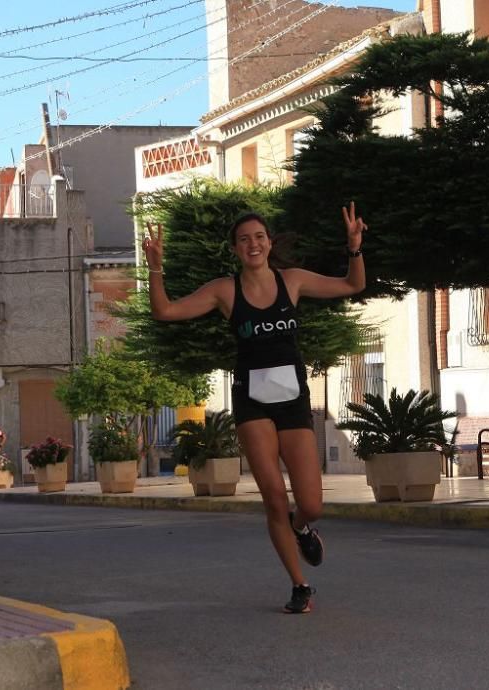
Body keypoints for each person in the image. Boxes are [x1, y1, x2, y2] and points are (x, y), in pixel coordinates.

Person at [143, 202, 366, 613]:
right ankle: (300, 585)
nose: (253, 244)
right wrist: (156, 267)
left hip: (293, 401)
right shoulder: (224, 290)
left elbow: (352, 285)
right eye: (244, 239)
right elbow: (166, 311)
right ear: (234, 249)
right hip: (252, 401)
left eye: (259, 237)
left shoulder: (293, 281)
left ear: (269, 242)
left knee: (311, 504)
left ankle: (303, 528)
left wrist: (354, 247)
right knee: (274, 499)